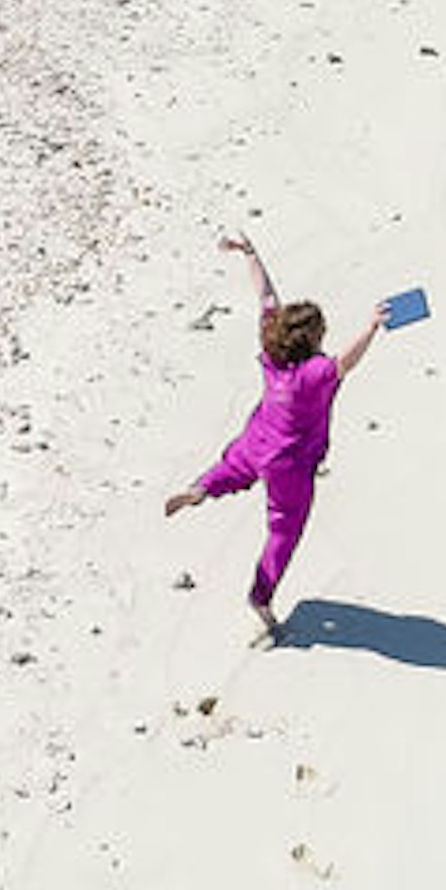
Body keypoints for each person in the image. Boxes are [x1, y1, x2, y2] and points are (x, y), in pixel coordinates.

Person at [164, 232, 385, 640]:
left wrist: (250, 253)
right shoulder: (313, 375)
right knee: (284, 529)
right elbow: (345, 363)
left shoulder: (272, 354)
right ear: (313, 340)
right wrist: (372, 327)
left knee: (231, 468)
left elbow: (265, 296)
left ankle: (200, 489)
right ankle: (261, 598)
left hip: (256, 440)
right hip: (290, 463)